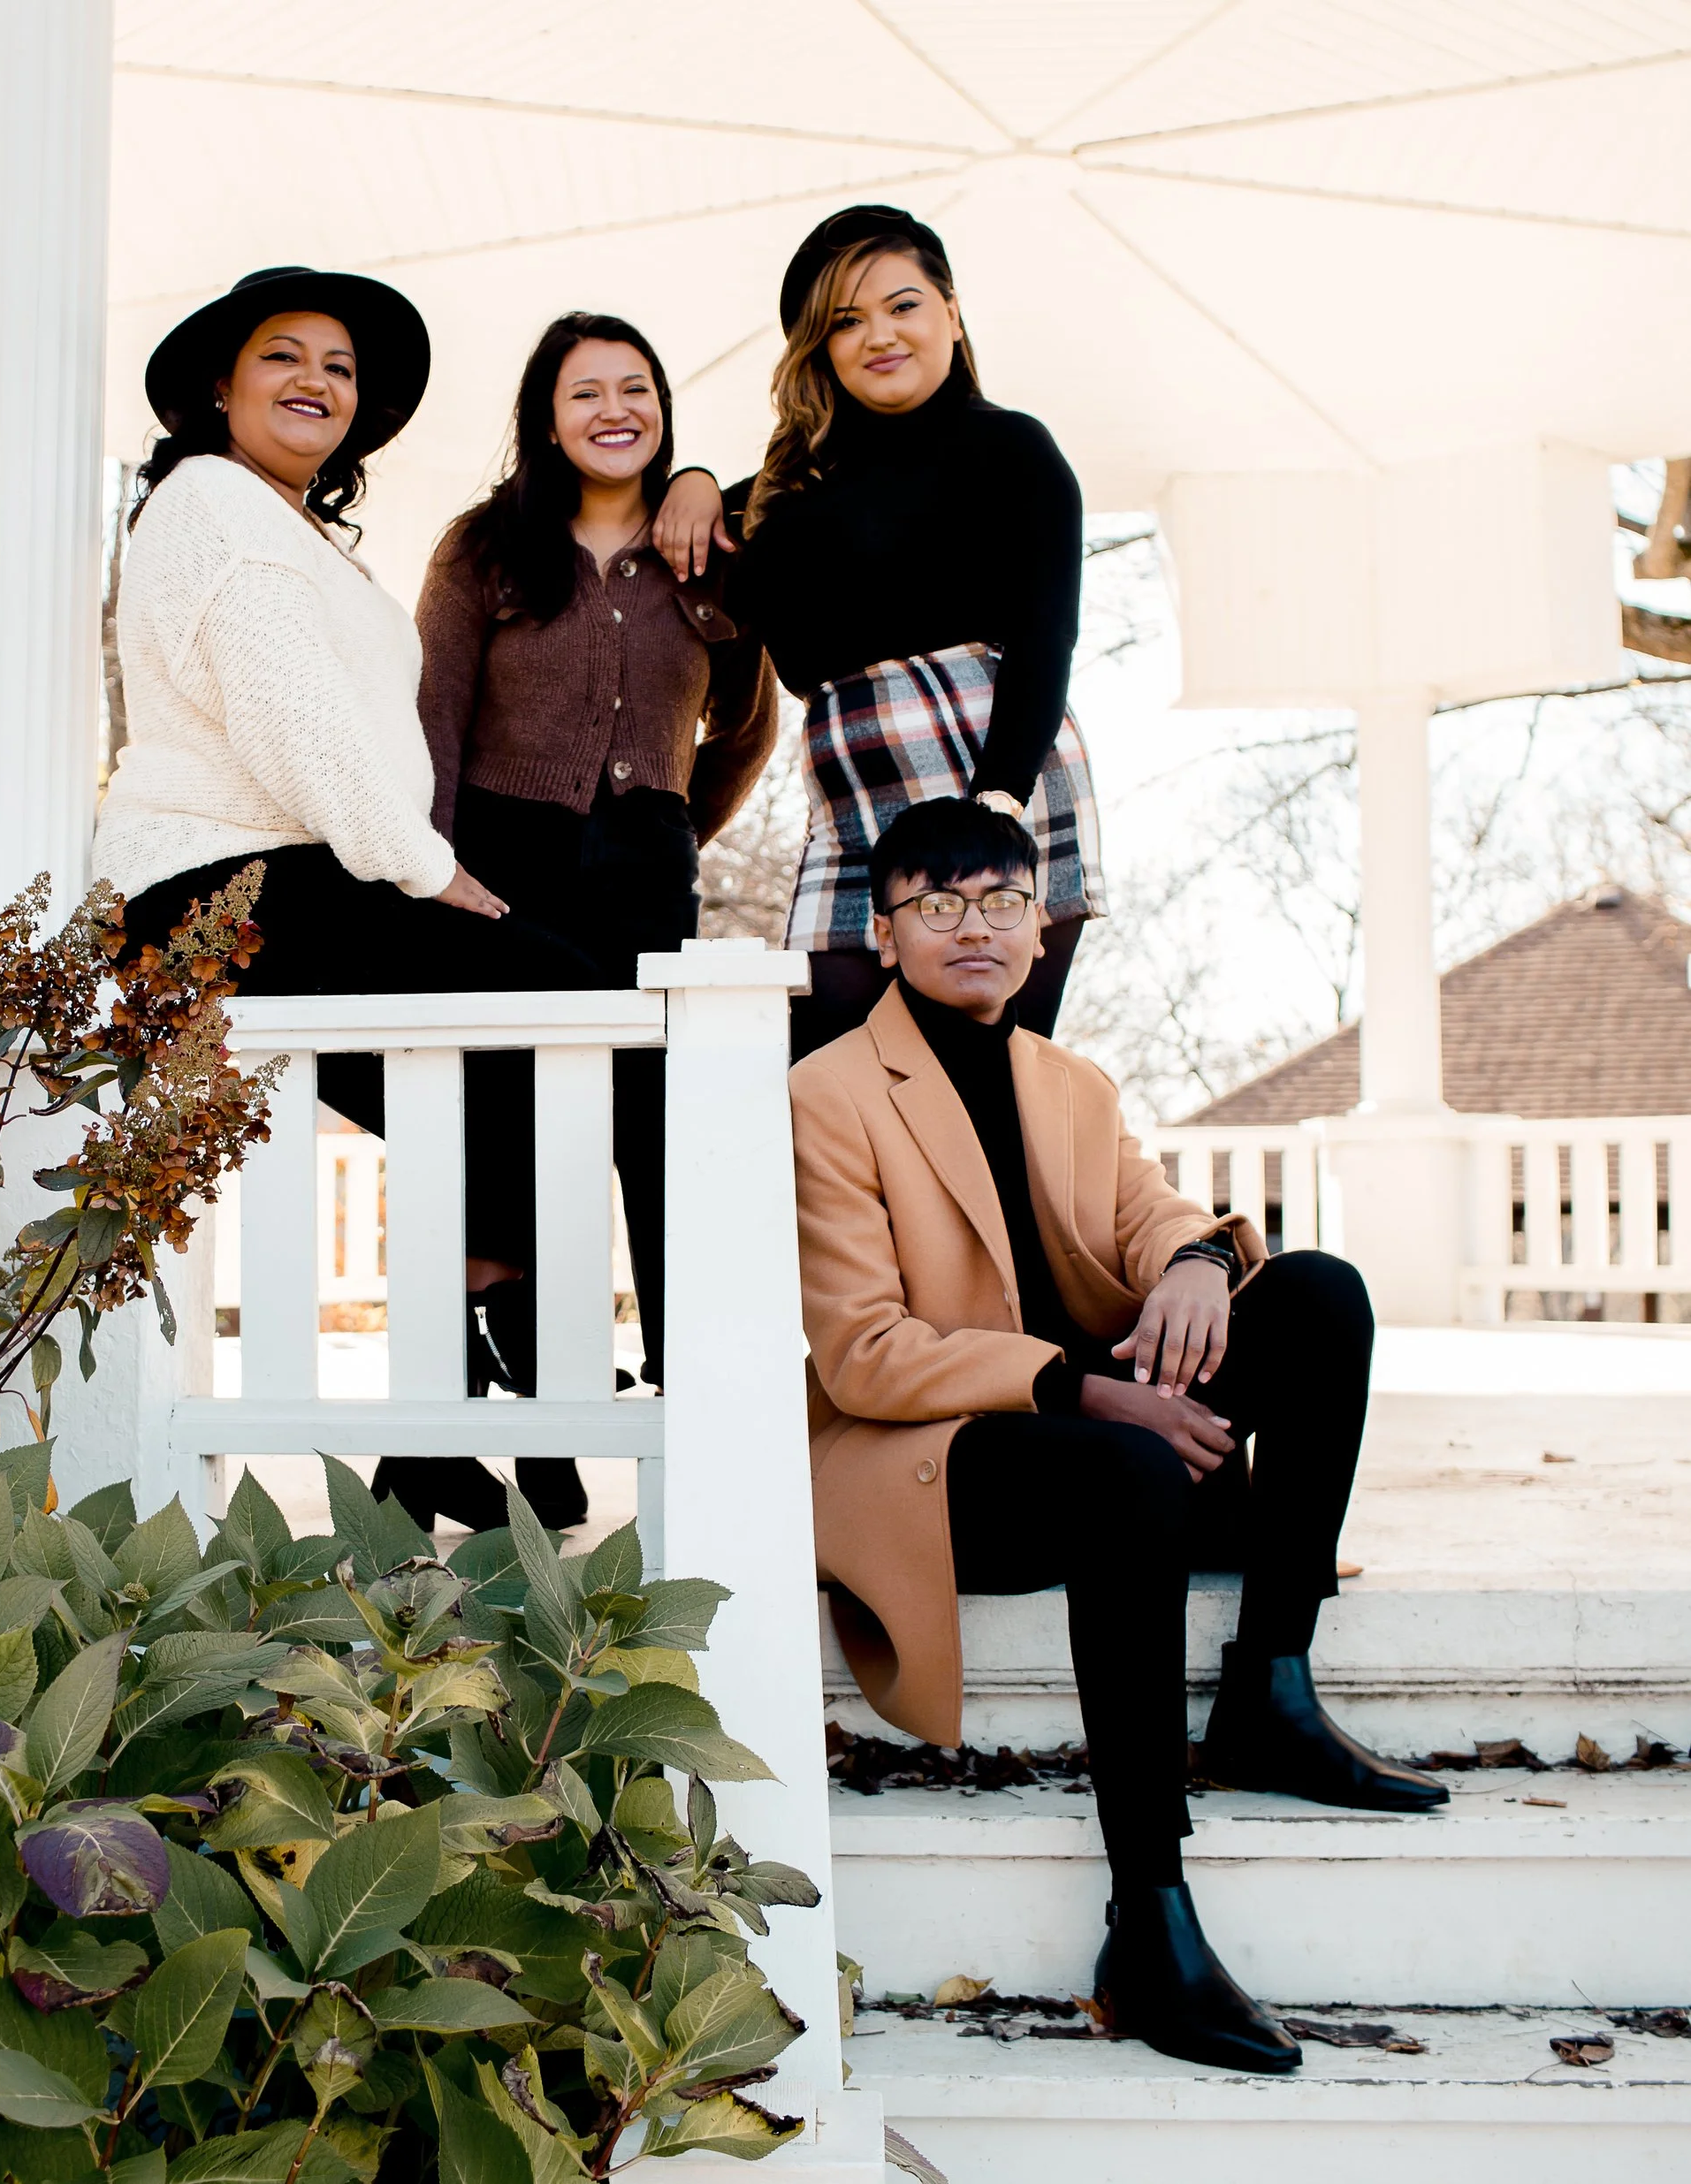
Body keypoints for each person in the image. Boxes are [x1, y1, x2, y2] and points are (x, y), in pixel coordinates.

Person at [789, 795, 1446, 2074]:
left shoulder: (1070, 1082)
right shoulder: (830, 1091)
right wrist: (1083, 1386)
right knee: (1129, 1456)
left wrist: (1199, 1261)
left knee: (1316, 1293)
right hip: (942, 1457)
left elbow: (1151, 1215)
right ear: (887, 931)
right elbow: (865, 1350)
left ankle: (1270, 1684)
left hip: (1102, 1438)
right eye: (939, 902)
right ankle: (1149, 1915)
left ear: (1041, 925)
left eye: (1002, 900)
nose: (973, 925)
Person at [94, 266, 599, 1526]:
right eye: (284, 356)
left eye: (340, 367)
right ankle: (464, 1388)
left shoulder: (283, 526)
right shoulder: (213, 504)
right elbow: (295, 725)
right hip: (222, 884)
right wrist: (432, 871)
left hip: (290, 874)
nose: (316, 380)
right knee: (563, 997)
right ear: (220, 385)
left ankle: (438, 1415)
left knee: (492, 1092)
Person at [415, 310, 777, 1420]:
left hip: (645, 873)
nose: (614, 410)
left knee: (651, 1124)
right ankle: (479, 1412)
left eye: (637, 389)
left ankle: (684, 1399)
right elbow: (432, 712)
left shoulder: (710, 555)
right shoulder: (482, 545)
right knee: (507, 1132)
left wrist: (670, 822)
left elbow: (749, 724)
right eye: (586, 392)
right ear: (546, 416)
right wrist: (428, 863)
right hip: (500, 863)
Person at [655, 204, 1104, 1056]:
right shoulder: (794, 486)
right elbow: (700, 535)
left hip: (991, 767)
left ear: (951, 311)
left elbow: (1049, 638)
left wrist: (997, 807)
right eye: (846, 321)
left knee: (982, 1077)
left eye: (903, 305)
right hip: (851, 790)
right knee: (828, 1072)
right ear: (819, 347)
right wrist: (697, 475)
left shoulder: (1013, 450)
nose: (880, 336)